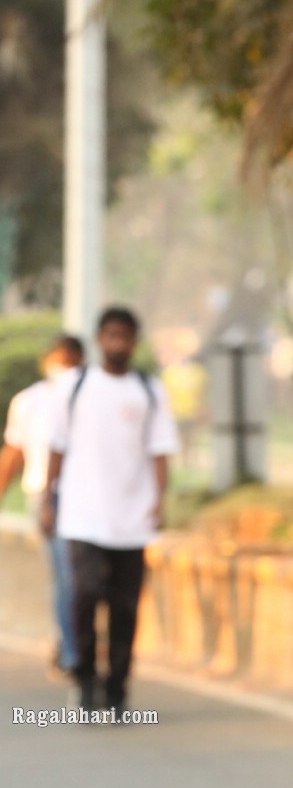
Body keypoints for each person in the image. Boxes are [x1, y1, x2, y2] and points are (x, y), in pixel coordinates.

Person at [42, 307, 179, 719]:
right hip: (81, 515)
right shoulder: (75, 385)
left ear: (134, 342)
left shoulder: (149, 391)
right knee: (83, 594)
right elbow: (56, 446)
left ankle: (117, 688)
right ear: (100, 339)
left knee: (125, 607)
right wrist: (49, 500)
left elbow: (160, 451)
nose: (118, 343)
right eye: (111, 335)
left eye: (125, 336)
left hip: (131, 520)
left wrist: (158, 500)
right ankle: (84, 678)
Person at [0, 334, 86, 675]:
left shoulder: (90, 397)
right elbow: (14, 452)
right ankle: (72, 650)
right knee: (66, 574)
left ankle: (76, 643)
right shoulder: (29, 401)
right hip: (44, 495)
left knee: (82, 576)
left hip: (87, 496)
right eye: (59, 361)